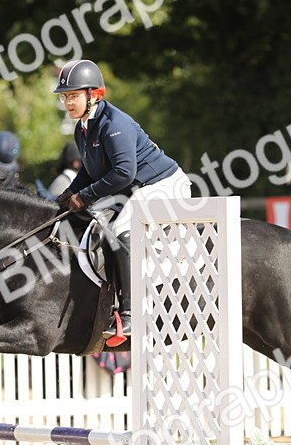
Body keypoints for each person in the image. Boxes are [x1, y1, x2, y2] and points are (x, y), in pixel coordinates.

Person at [53, 59, 191, 339]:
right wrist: (68, 195)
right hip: (137, 188)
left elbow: (123, 173)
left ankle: (131, 313)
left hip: (164, 185)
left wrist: (86, 196)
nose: (68, 102)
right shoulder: (82, 127)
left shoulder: (115, 124)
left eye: (74, 96)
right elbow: (91, 171)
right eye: (65, 96)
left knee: (120, 229)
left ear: (95, 95)